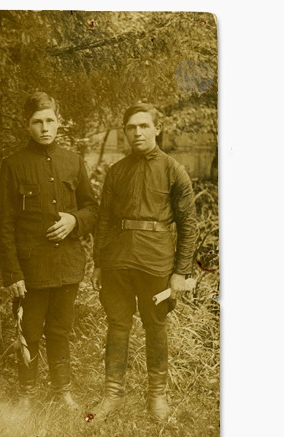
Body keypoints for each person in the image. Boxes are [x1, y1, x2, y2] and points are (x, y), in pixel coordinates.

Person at [91, 102, 198, 421]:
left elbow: (188, 225)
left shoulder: (174, 170)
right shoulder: (116, 172)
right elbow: (105, 220)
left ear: (157, 129)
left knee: (156, 326)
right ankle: (112, 395)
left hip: (156, 262)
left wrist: (180, 272)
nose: (137, 132)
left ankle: (157, 397)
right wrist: (99, 263)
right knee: (117, 325)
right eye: (131, 127)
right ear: (125, 131)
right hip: (118, 262)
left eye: (143, 126)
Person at [0, 91, 99, 411]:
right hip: (31, 270)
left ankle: (62, 390)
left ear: (59, 122)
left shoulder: (73, 161)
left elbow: (93, 209)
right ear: (27, 125)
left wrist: (74, 220)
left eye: (50, 120)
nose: (44, 128)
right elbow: (3, 224)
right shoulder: (13, 165)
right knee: (28, 331)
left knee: (60, 329)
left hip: (67, 265)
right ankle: (26, 394)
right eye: (37, 122)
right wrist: (13, 273)